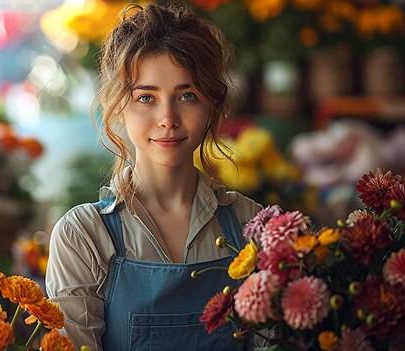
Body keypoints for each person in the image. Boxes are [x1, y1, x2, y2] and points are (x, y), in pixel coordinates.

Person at [45, 3, 263, 350]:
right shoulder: (83, 236)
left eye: (187, 95)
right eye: (146, 97)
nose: (168, 118)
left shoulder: (252, 225)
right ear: (118, 107)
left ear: (212, 105)